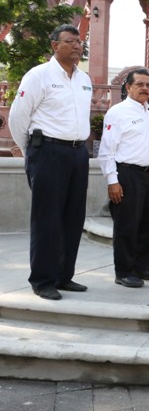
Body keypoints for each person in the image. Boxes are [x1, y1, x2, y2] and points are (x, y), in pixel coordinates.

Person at [9, 24, 92, 300]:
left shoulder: (84, 79)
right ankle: (42, 279)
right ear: (55, 46)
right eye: (70, 41)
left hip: (78, 154)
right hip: (48, 152)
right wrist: (31, 152)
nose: (77, 46)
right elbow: (18, 117)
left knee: (73, 217)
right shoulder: (39, 75)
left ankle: (63, 275)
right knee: (47, 218)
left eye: (79, 41)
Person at [97, 68, 149, 288]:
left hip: (147, 174)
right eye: (140, 84)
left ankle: (143, 267)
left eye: (148, 85)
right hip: (126, 174)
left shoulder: (148, 113)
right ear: (128, 87)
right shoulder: (118, 112)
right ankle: (124, 271)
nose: (145, 88)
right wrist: (112, 181)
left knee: (148, 224)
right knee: (127, 225)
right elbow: (107, 150)